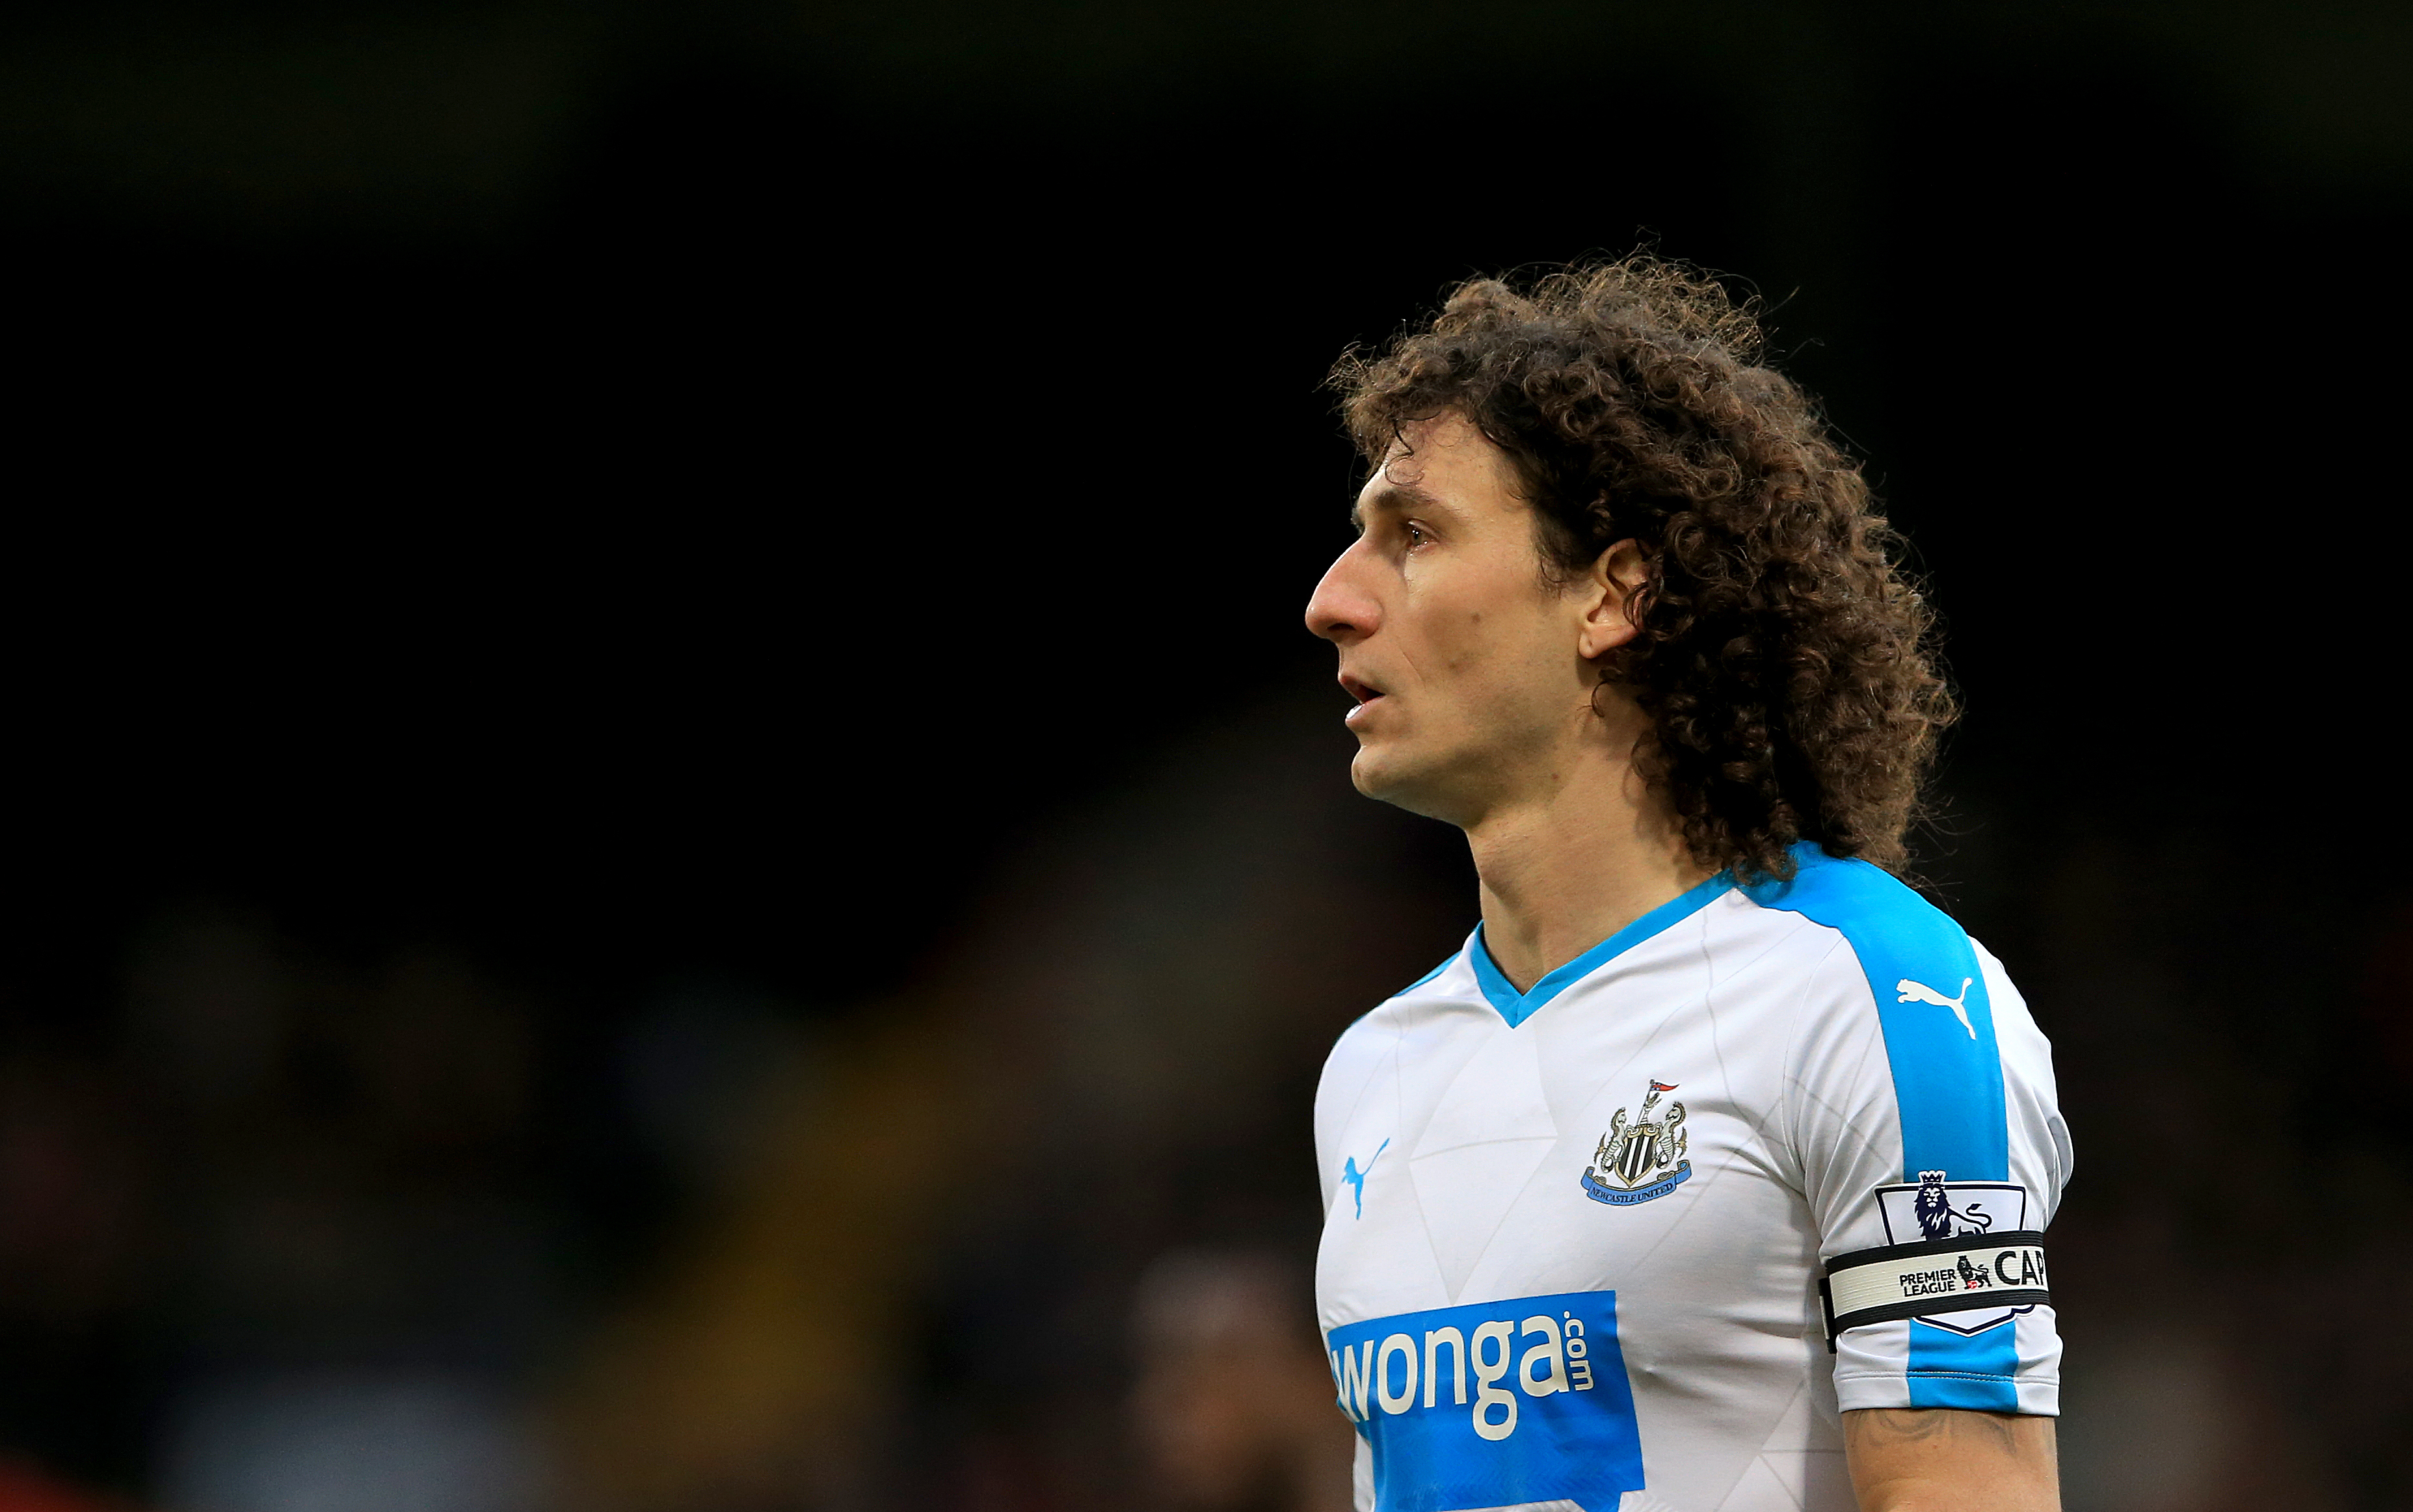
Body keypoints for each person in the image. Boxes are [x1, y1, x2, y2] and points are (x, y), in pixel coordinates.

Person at [1302, 259, 2068, 1512]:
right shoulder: (1371, 1071)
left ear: (1612, 594)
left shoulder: (1881, 998)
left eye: (1415, 534)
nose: (1331, 600)